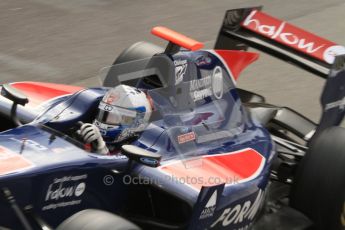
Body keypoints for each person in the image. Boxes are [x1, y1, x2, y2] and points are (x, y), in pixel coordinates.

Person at [77, 84, 153, 154]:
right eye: (103, 114)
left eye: (113, 117)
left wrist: (102, 150)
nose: (103, 122)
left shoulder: (140, 150)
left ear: (137, 122)